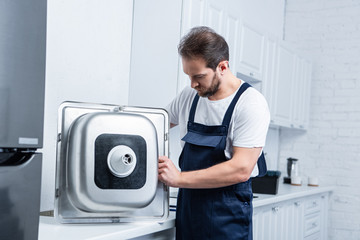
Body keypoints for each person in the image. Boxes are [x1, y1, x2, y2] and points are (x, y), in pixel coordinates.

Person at [158, 26, 270, 240]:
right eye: (188, 76)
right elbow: (156, 123)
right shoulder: (189, 95)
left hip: (227, 214)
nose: (192, 84)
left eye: (198, 76)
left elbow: (241, 169)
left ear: (222, 66)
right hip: (189, 207)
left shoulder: (250, 103)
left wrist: (178, 177)